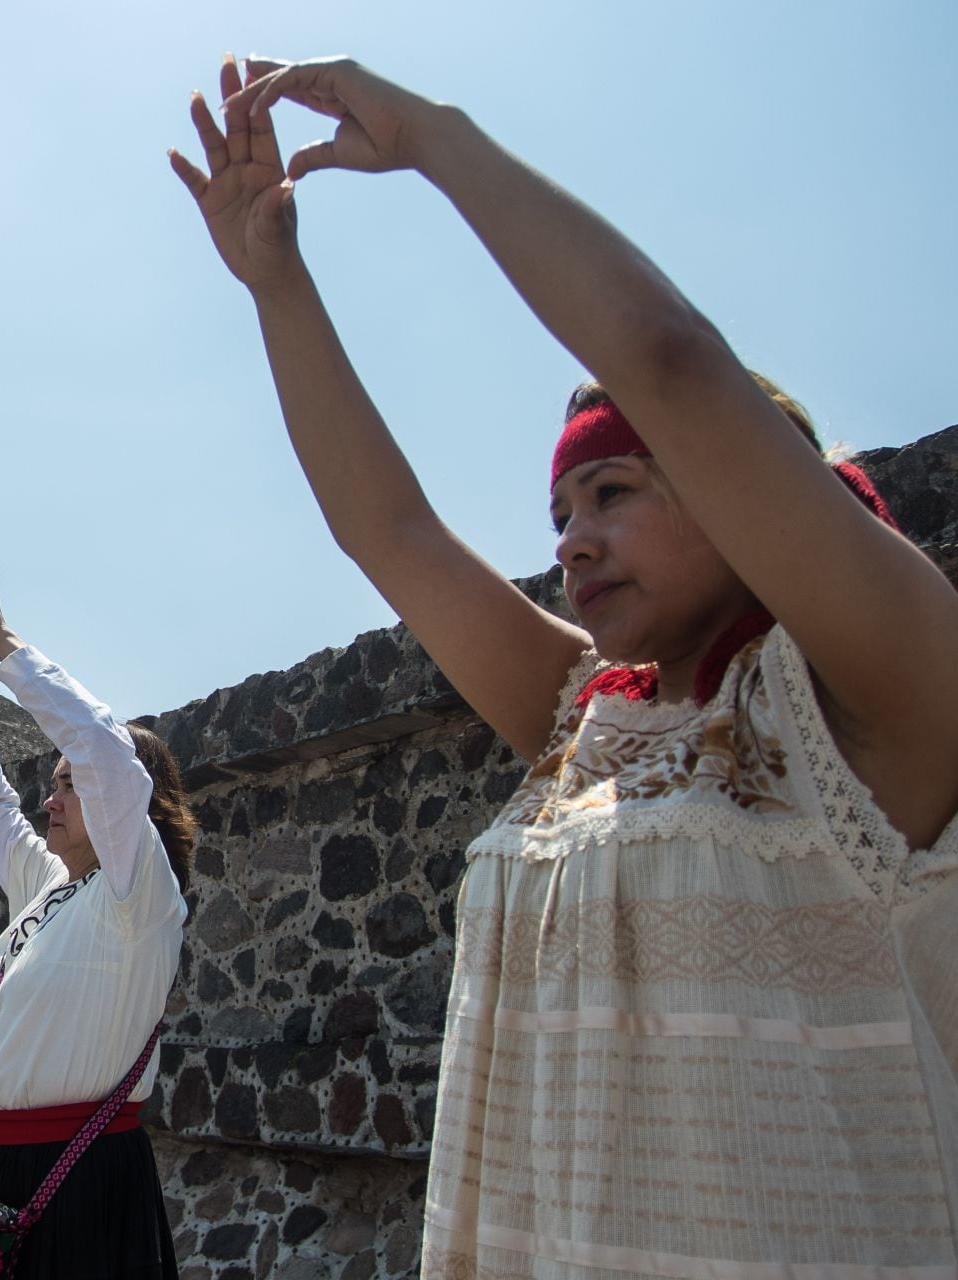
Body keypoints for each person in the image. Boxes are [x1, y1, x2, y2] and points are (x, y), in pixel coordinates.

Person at [175, 53, 958, 1278]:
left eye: (613, 489)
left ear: (753, 488)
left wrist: (436, 138)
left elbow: (669, 357)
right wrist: (277, 282)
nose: (572, 537)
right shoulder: (581, 719)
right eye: (558, 510)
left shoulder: (869, 704)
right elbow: (392, 533)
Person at [0, 566, 191, 1277]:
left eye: (69, 787)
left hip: (81, 1180)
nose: (52, 802)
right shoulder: (47, 887)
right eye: (52, 786)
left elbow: (107, 757)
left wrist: (6, 646)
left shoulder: (138, 897)